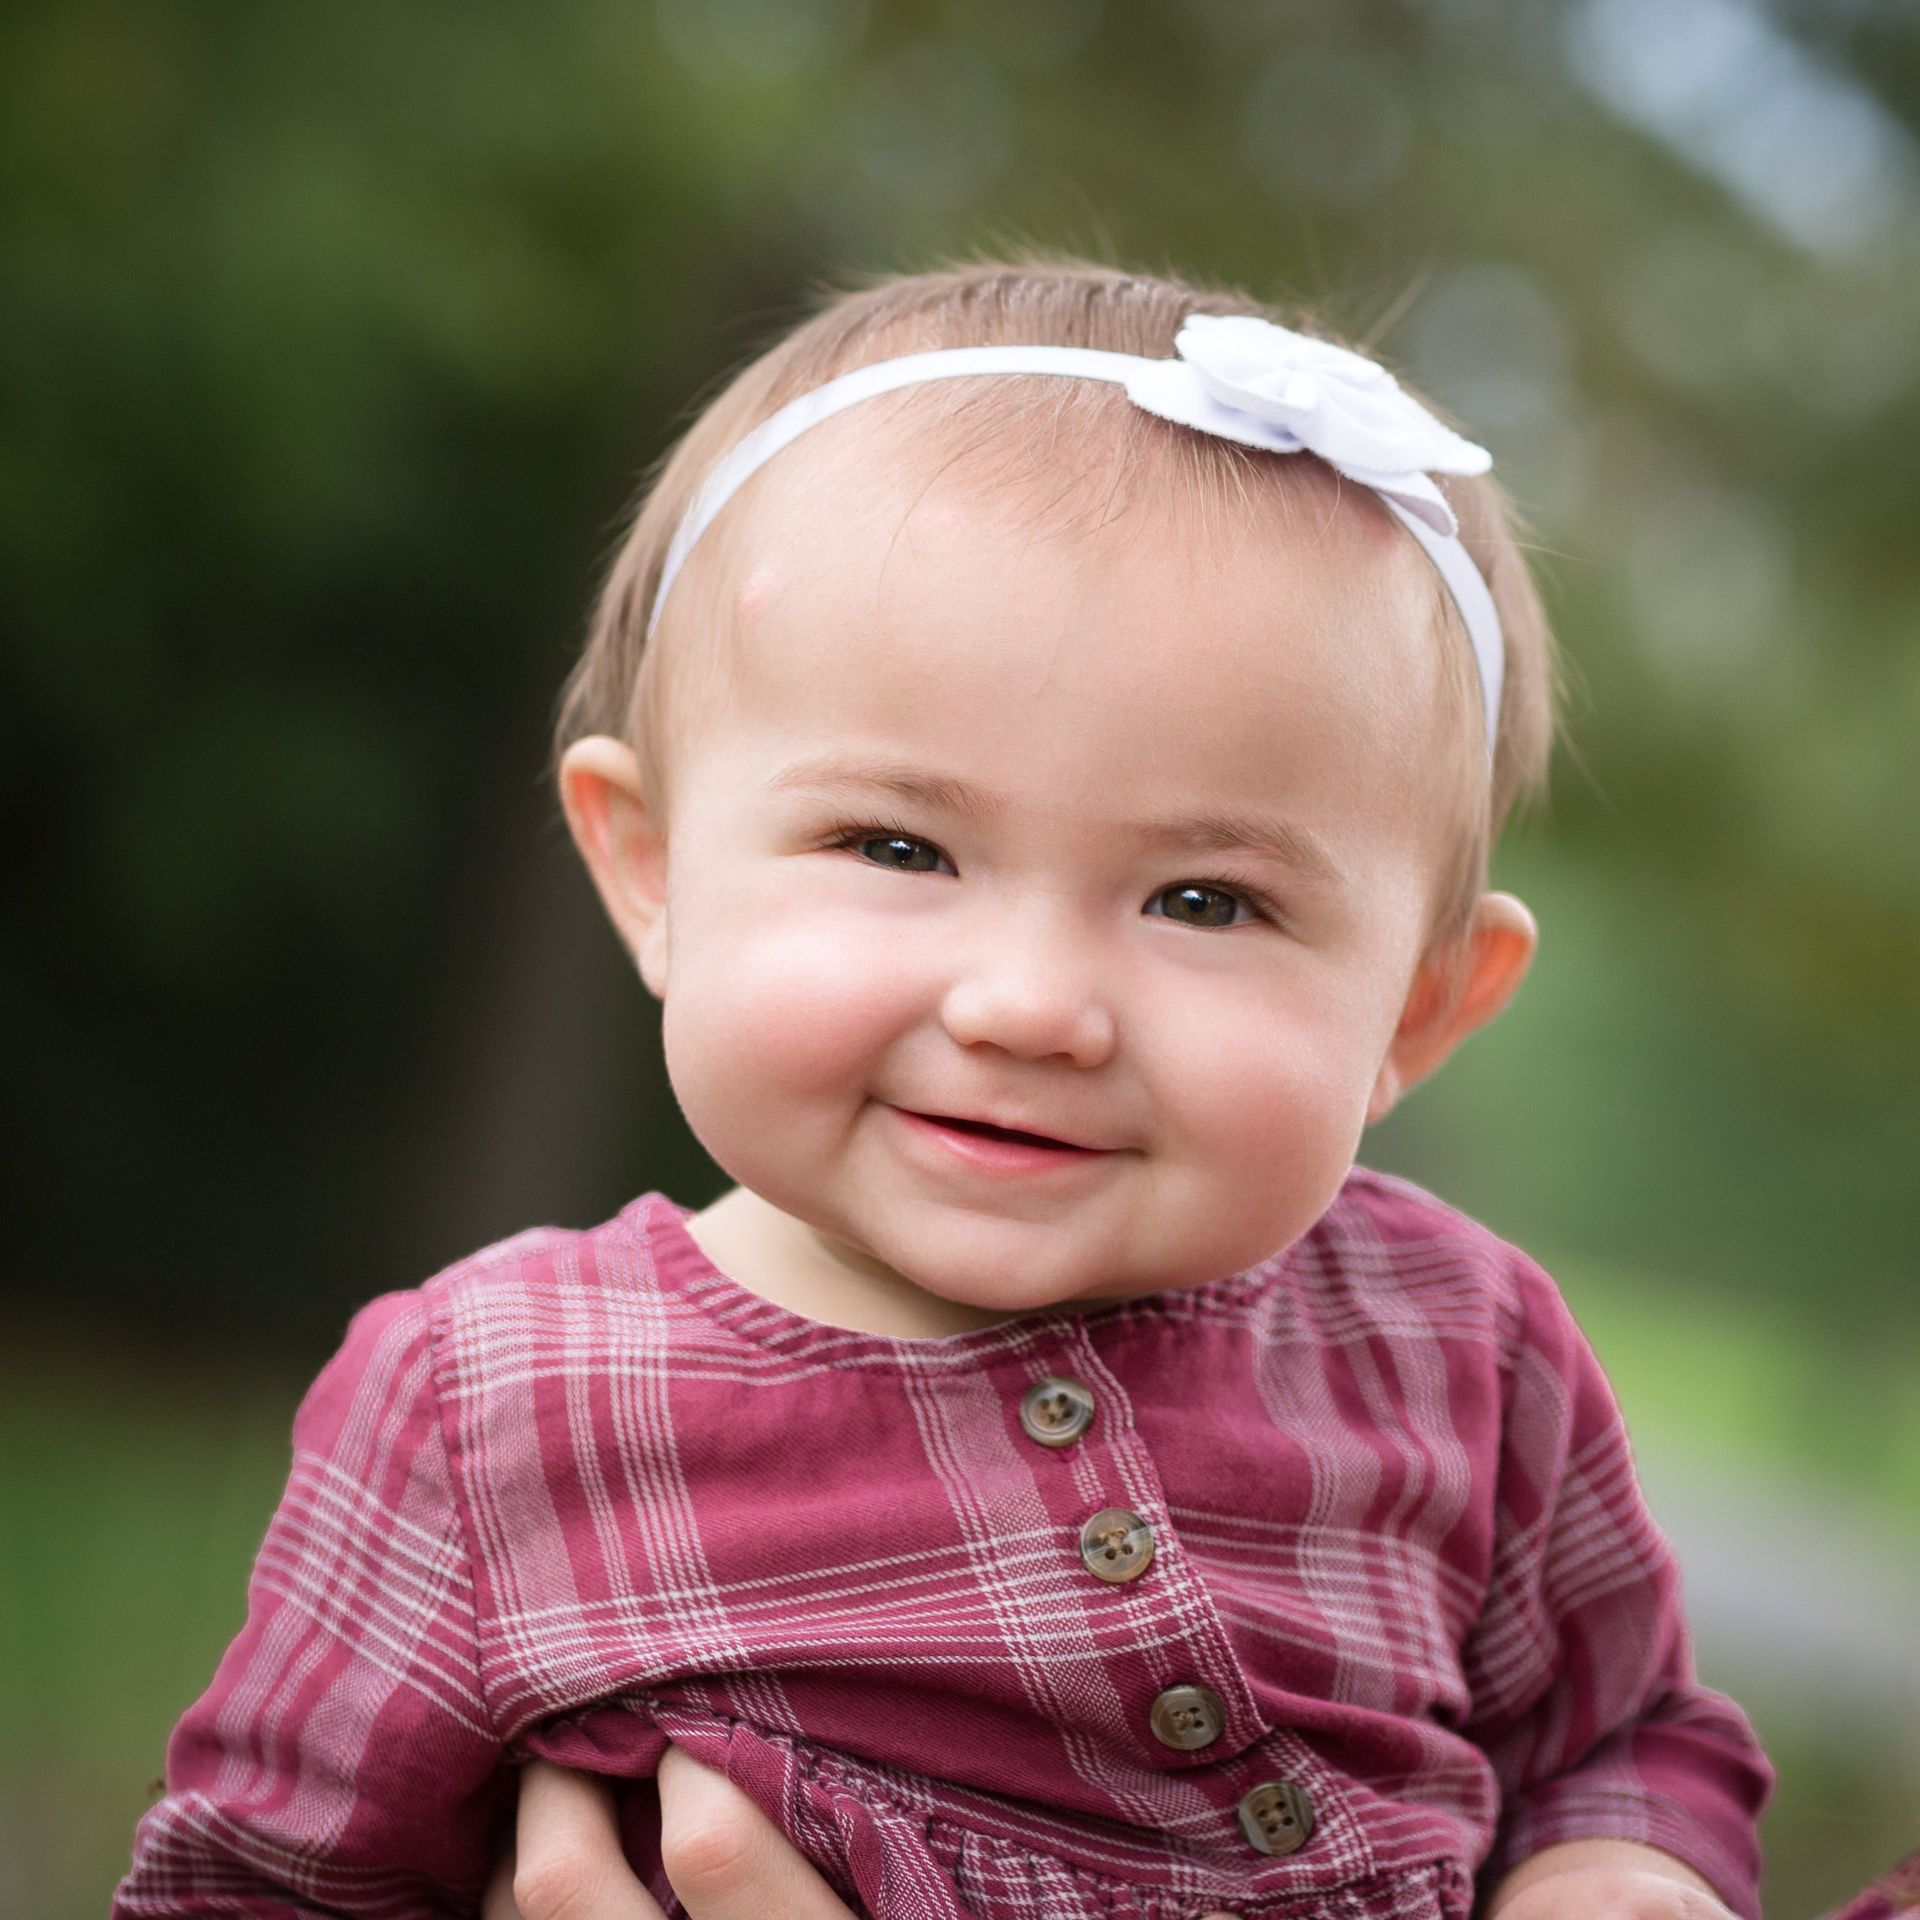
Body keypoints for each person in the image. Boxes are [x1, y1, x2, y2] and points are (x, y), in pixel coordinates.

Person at [112, 258, 1773, 1920]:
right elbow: (255, 1885)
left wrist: (1615, 1863)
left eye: (1208, 900)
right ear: (651, 871)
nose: (1033, 1007)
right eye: (898, 847)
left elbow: (1623, 1727)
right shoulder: (489, 1404)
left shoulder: (1458, 1346)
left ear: (1420, 1004)